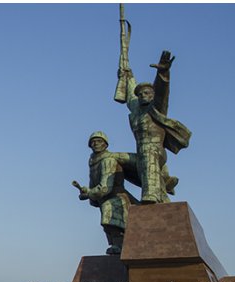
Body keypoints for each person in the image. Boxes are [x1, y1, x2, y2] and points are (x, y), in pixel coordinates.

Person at [118, 50, 191, 204]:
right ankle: (119, 200)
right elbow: (131, 94)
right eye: (140, 94)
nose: (143, 95)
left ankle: (150, 196)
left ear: (152, 95)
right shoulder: (136, 110)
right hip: (140, 155)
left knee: (148, 153)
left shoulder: (156, 108)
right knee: (111, 159)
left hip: (156, 151)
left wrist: (163, 73)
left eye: (147, 93)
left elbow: (162, 92)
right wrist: (127, 75)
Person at [75, 131, 141, 254]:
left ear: (105, 145)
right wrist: (88, 193)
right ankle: (118, 247)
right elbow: (93, 183)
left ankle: (121, 247)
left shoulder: (108, 160)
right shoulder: (93, 162)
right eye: (92, 142)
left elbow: (105, 187)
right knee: (109, 226)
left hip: (115, 198)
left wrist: (89, 193)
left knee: (111, 222)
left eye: (98, 141)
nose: (95, 143)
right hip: (104, 199)